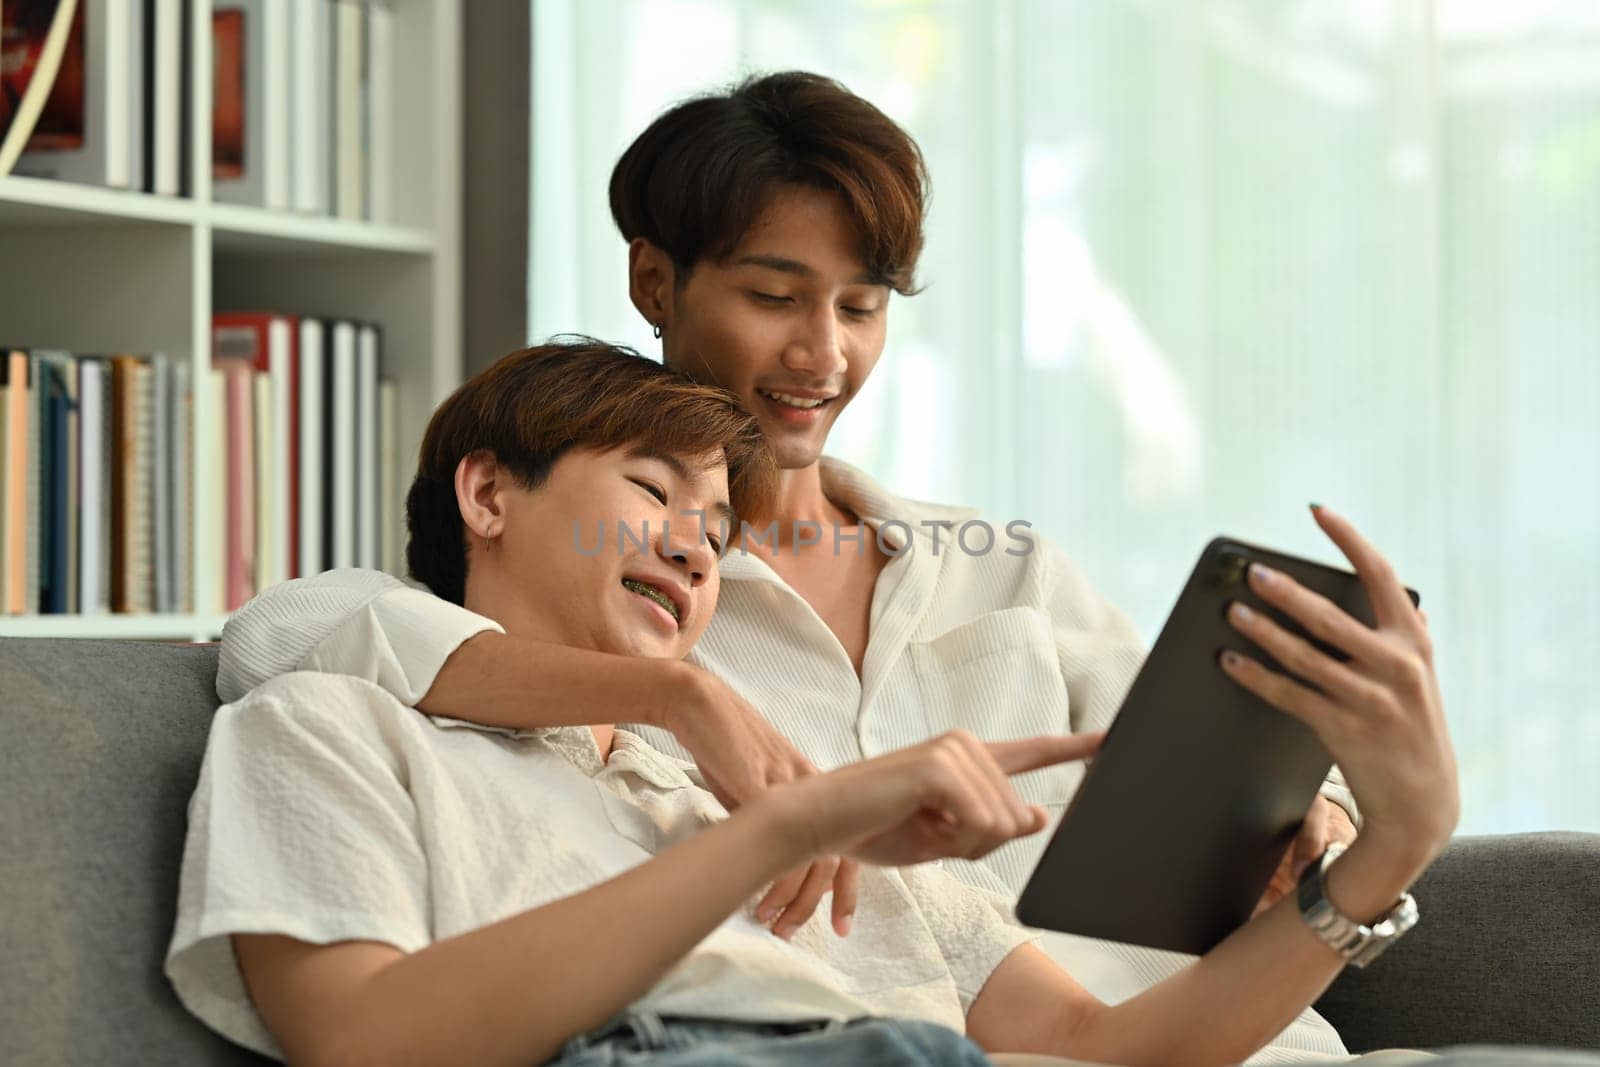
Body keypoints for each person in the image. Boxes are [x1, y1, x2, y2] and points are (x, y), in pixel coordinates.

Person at [218, 72, 1365, 1056]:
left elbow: (1219, 769)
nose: (823, 353)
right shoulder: (579, 631)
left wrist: (1321, 825)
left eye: (861, 307)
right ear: (657, 284)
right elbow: (296, 635)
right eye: (774, 297)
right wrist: (685, 693)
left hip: (1208, 1027)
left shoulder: (1002, 566)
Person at [168, 341, 1462, 1067]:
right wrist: (781, 819)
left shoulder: (796, 811)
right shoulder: (331, 718)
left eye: (716, 522)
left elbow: (1111, 1049)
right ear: (489, 494)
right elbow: (362, 1039)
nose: (694, 545)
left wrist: (1390, 848)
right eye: (651, 487)